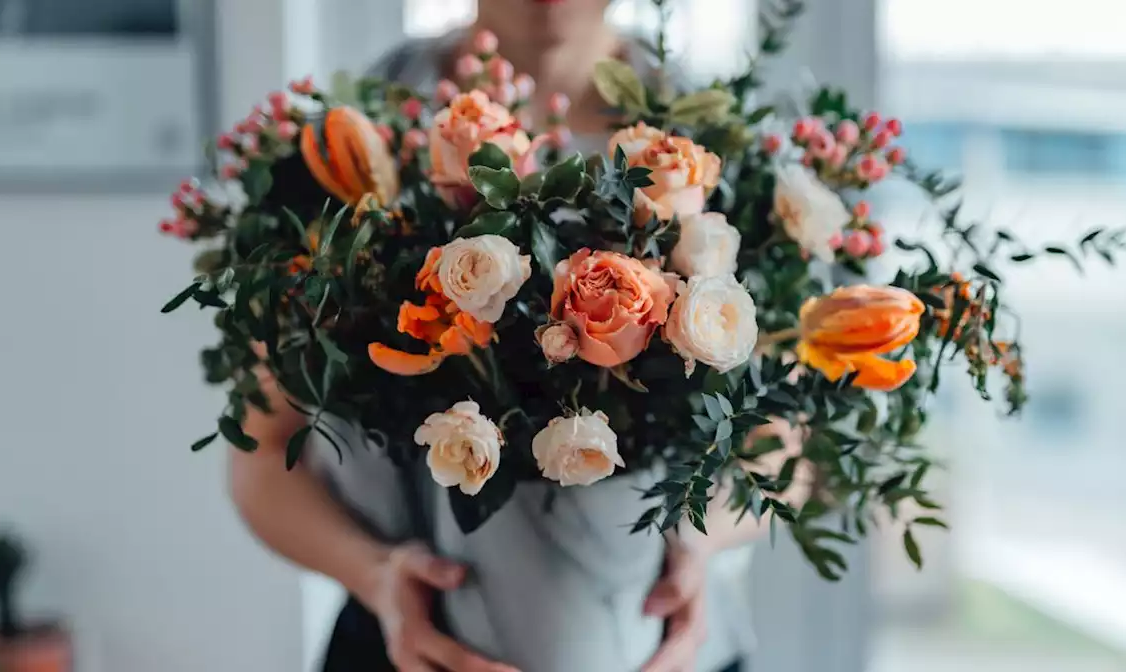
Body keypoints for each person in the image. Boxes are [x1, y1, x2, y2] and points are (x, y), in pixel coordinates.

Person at [231, 2, 808, 670]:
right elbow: (262, 449)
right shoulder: (349, 144)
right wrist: (376, 576)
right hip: (414, 649)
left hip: (661, 647)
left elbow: (786, 442)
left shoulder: (712, 144)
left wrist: (697, 545)